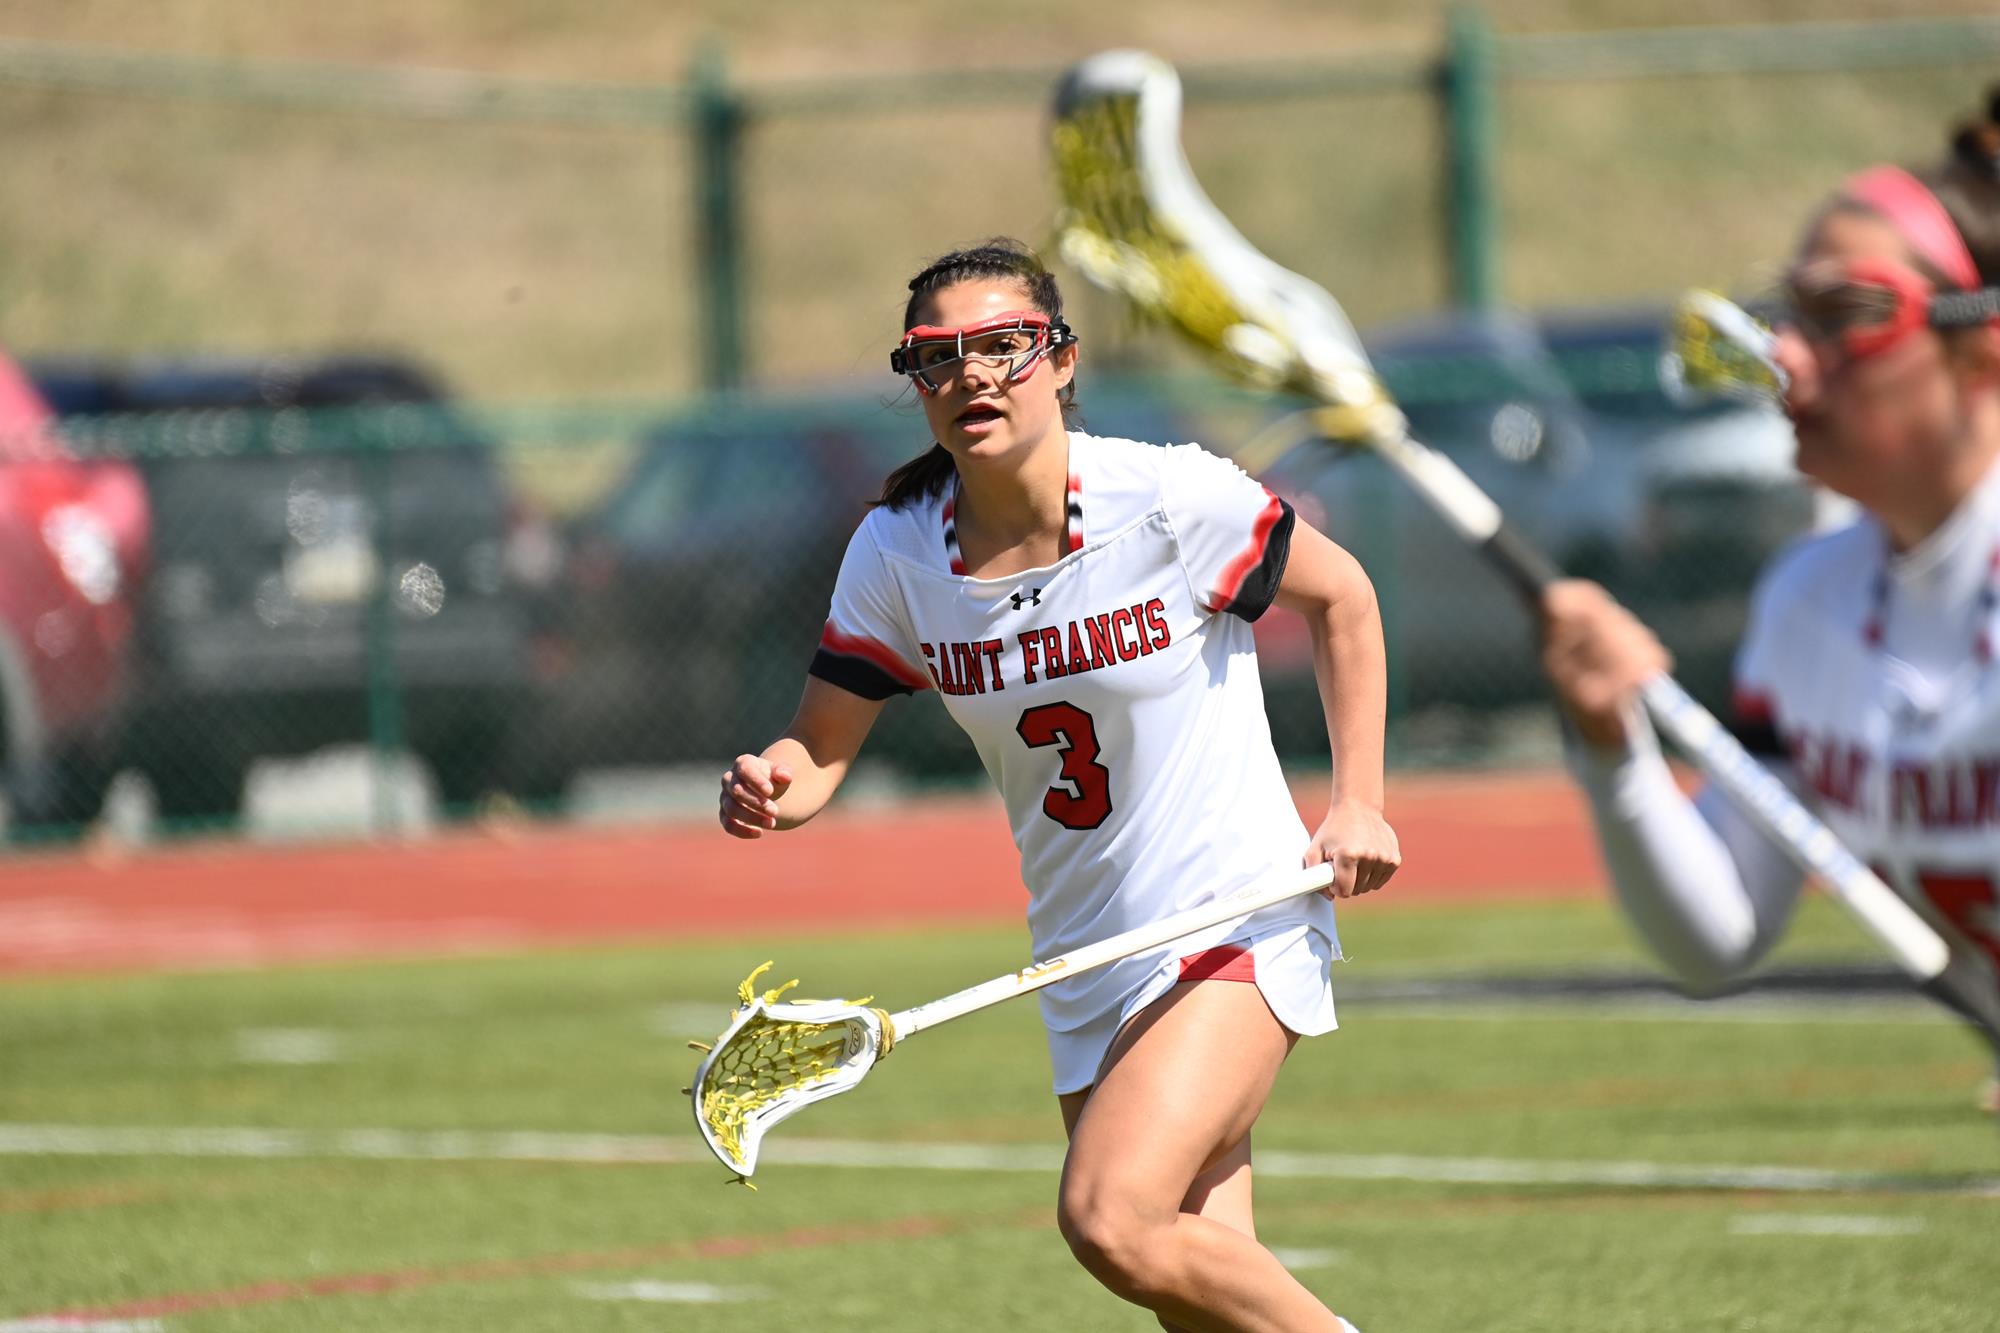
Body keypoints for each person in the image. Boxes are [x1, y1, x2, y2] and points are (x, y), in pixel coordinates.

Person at [718, 238, 1399, 1332]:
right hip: (1083, 953)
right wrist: (772, 782)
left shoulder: (1166, 497)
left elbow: (1345, 598)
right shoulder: (897, 553)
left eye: (1004, 346)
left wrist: (1357, 799)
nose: (971, 375)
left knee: (1109, 1218)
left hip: (1233, 913)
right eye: (937, 357)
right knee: (1199, 1291)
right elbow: (818, 747)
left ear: (1063, 360)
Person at [1540, 91, 2000, 1110]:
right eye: (1789, 316)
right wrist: (1612, 745)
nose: (1784, 358)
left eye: (1845, 317)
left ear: (1983, 345)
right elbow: (1719, 930)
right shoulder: (1810, 600)